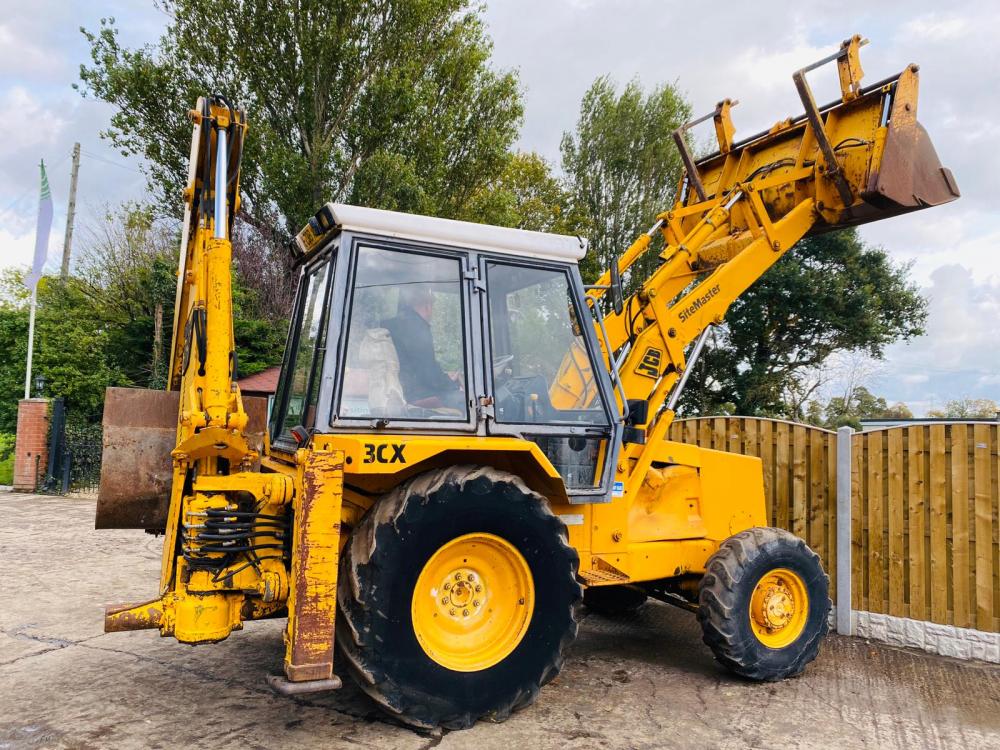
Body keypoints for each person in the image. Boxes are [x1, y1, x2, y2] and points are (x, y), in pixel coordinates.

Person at [384, 285, 464, 411]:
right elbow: (428, 374)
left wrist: (445, 378)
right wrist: (452, 385)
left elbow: (420, 365)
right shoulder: (417, 328)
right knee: (469, 402)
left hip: (403, 389)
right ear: (427, 306)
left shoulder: (394, 325)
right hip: (416, 394)